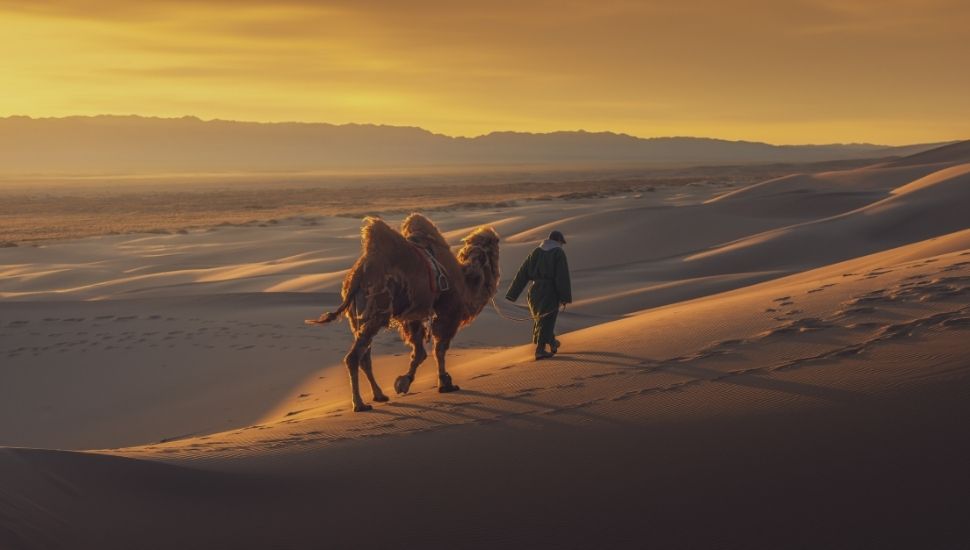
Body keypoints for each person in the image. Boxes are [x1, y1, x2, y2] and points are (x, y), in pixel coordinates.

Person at [505, 230, 572, 360]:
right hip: (549, 291)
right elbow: (561, 276)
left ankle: (552, 342)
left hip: (534, 292)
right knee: (546, 320)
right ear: (558, 240)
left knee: (540, 319)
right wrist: (564, 297)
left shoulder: (536, 252)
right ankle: (540, 350)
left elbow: (522, 273)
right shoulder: (558, 252)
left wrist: (512, 294)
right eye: (561, 242)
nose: (562, 245)